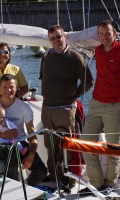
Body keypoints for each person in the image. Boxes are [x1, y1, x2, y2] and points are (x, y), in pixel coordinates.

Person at [79, 20, 120, 196]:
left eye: (107, 33)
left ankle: (110, 184)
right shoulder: (98, 50)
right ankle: (96, 183)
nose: (104, 37)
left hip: (115, 106)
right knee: (86, 145)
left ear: (114, 34)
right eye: (101, 34)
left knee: (112, 148)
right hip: (96, 104)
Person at [39, 24, 94, 186]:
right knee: (50, 144)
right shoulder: (47, 56)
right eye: (52, 38)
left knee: (67, 145)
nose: (56, 40)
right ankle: (55, 174)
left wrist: (73, 97)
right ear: (49, 41)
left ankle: (71, 179)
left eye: (58, 37)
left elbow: (89, 82)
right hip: (47, 108)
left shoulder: (76, 58)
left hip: (65, 109)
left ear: (65, 37)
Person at [0, 74, 47, 186]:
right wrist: (3, 135)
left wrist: (31, 154)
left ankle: (26, 189)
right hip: (1, 146)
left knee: (42, 171)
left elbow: (32, 135)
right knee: (11, 152)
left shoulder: (24, 108)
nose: (8, 90)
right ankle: (12, 189)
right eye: (5, 87)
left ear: (16, 88)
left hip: (20, 144)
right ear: (0, 88)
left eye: (11, 87)